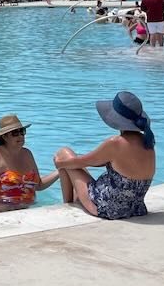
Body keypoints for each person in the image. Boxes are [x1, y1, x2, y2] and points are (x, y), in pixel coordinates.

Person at [55, 91, 155, 220]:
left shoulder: (115, 143)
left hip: (106, 207)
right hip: (136, 209)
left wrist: (59, 164)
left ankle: (67, 206)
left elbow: (82, 162)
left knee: (64, 153)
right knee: (73, 166)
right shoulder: (147, 142)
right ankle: (73, 201)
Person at [0, 114, 58, 209]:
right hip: (4, 211)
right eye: (15, 133)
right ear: (4, 137)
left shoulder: (27, 154)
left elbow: (38, 185)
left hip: (28, 210)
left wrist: (59, 171)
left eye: (22, 131)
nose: (20, 136)